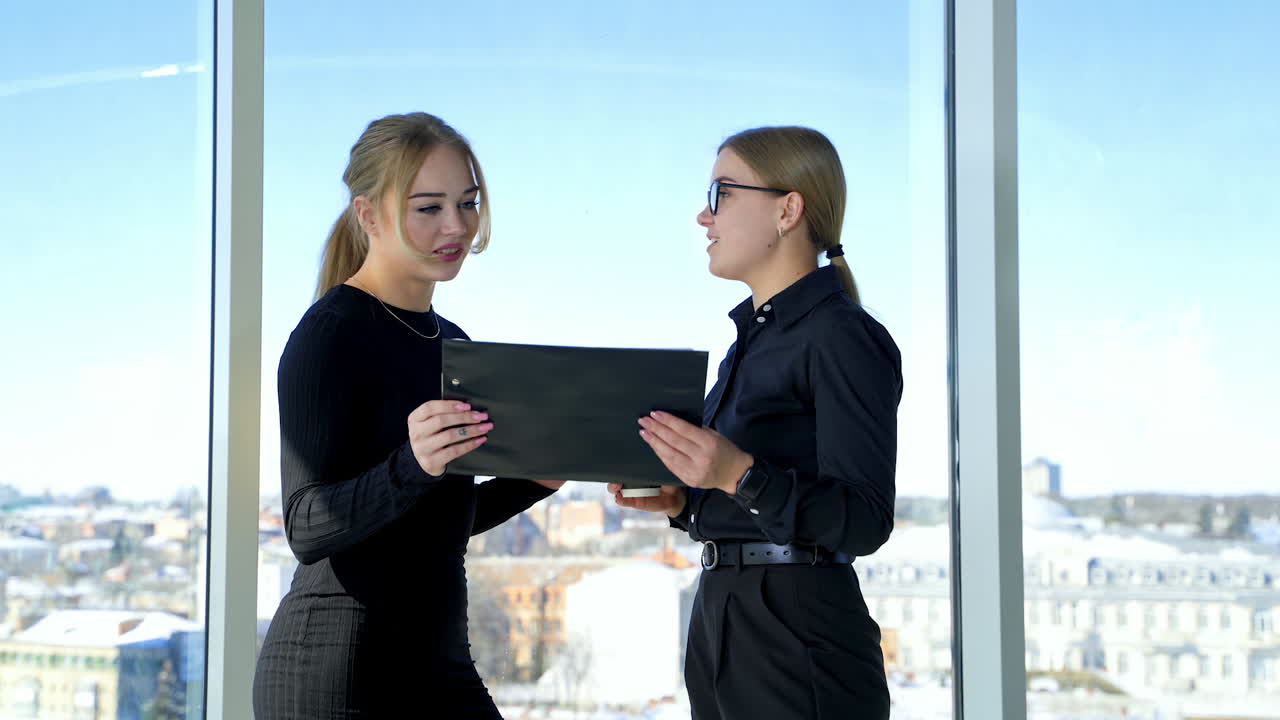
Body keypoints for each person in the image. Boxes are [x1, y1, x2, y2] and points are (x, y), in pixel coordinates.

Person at [253, 112, 562, 719]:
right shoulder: (330, 333)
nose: (456, 227)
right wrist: (412, 464)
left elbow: (434, 525)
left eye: (467, 204)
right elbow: (306, 528)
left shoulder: (455, 342)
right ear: (369, 216)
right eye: (429, 208)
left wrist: (536, 481)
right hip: (337, 672)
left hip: (440, 660)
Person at [610, 126, 901, 719]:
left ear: (788, 209)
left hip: (798, 635)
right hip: (723, 617)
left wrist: (738, 474)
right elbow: (754, 497)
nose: (703, 215)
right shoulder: (750, 340)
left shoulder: (842, 336)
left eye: (722, 193)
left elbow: (865, 520)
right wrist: (685, 504)